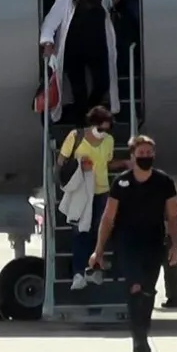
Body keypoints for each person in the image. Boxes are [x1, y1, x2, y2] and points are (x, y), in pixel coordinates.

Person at [89, 135, 177, 352]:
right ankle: (138, 338)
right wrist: (98, 249)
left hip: (154, 240)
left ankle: (143, 330)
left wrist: (175, 244)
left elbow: (173, 216)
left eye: (149, 153)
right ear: (132, 155)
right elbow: (108, 218)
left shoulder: (164, 182)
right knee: (135, 287)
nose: (145, 157)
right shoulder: (121, 182)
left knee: (148, 290)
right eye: (141, 153)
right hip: (127, 241)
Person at [39, 0, 136, 123]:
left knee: (103, 82)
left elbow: (111, 1)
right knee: (79, 88)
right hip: (74, 52)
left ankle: (91, 109)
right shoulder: (65, 0)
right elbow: (50, 22)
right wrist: (47, 43)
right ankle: (82, 120)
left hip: (96, 51)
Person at [58, 106, 125, 290]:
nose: (104, 133)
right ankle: (78, 273)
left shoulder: (109, 141)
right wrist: (79, 165)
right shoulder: (76, 136)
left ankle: (93, 269)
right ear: (93, 124)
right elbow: (61, 162)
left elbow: (107, 164)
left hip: (101, 190)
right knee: (81, 232)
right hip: (81, 192)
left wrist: (125, 163)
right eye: (101, 129)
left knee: (99, 233)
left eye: (107, 129)